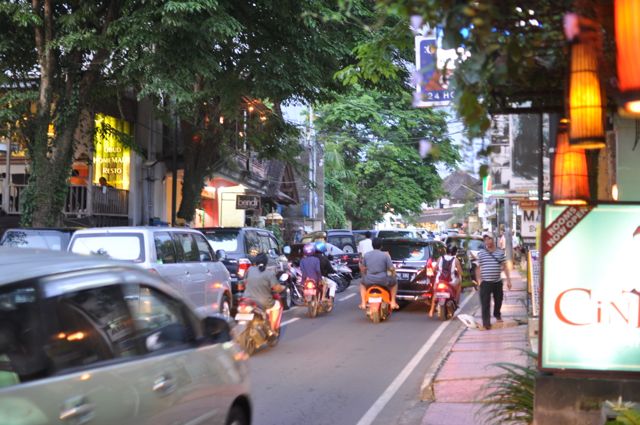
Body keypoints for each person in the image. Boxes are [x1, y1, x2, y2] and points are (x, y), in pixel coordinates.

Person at [476, 232, 512, 330]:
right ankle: (486, 323)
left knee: (499, 300)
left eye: (489, 239)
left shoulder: (500, 253)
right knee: (485, 303)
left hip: (497, 282)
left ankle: (497, 314)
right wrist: (479, 281)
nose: (487, 241)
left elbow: (505, 267)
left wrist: (508, 280)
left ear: (493, 240)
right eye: (485, 240)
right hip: (485, 282)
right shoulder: (481, 253)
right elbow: (478, 268)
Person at [243, 253, 285, 333]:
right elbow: (277, 289)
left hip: (247, 300)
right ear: (266, 262)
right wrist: (283, 287)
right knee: (277, 306)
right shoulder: (269, 273)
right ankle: (272, 329)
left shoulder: (249, 270)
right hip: (264, 302)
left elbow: (245, 282)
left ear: (255, 261)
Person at [359, 238, 398, 310]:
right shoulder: (385, 255)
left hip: (369, 280)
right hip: (383, 280)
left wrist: (365, 276)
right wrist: (392, 276)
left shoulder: (366, 255)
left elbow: (363, 269)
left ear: (372, 245)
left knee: (362, 284)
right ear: (381, 246)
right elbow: (391, 269)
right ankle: (393, 302)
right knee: (394, 283)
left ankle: (363, 303)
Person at [429, 245, 463, 317]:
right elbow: (460, 272)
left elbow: (434, 269)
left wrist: (436, 271)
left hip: (440, 280)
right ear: (454, 252)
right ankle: (456, 301)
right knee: (459, 283)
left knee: (435, 291)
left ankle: (431, 310)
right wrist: (459, 274)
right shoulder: (455, 260)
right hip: (451, 282)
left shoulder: (440, 258)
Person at [314, 241, 338, 307]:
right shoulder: (324, 258)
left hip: (310, 277)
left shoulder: (310, 258)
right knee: (333, 284)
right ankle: (330, 300)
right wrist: (334, 271)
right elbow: (330, 269)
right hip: (321, 277)